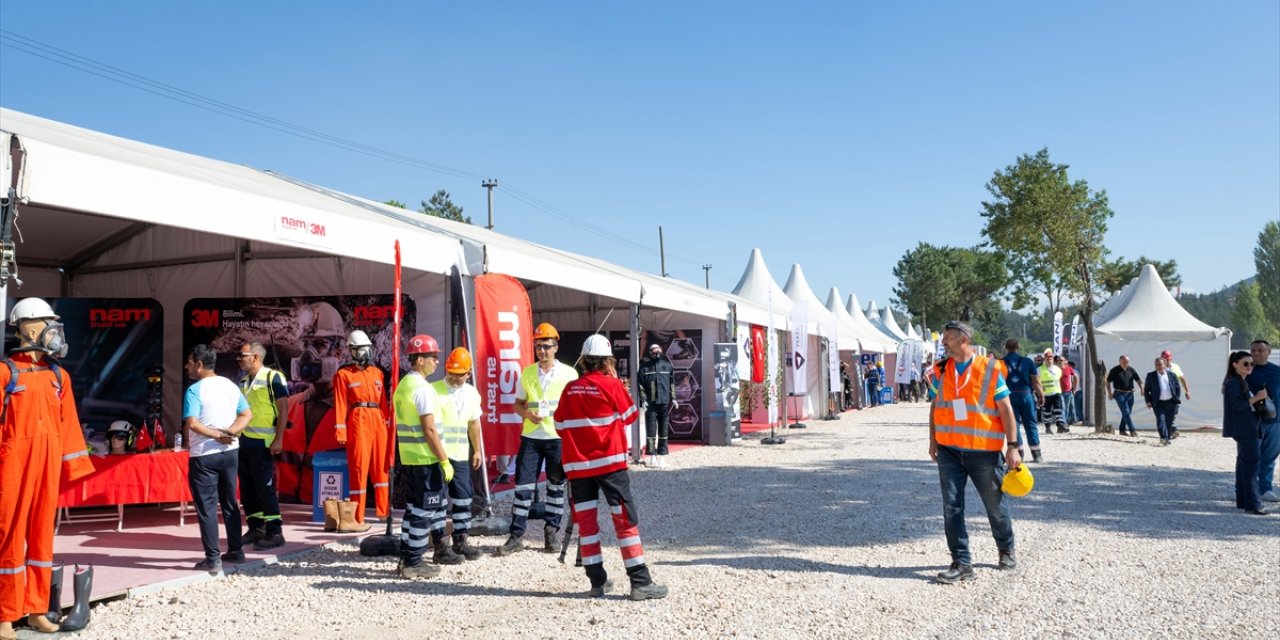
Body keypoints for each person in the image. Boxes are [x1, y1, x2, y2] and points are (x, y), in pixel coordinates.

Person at [0, 298, 95, 638]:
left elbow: (69, 425)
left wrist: (74, 468)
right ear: (27, 328)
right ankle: (5, 616)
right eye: (47, 323)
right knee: (8, 538)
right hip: (11, 468)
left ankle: (37, 608)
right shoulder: (4, 373)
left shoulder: (59, 376)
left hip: (46, 466)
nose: (55, 331)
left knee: (41, 537)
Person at [555, 334, 668, 600]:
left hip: (578, 468)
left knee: (587, 524)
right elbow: (630, 416)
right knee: (625, 522)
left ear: (583, 362)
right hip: (610, 466)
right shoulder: (611, 385)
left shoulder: (570, 389)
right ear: (608, 362)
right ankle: (640, 582)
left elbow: (559, 426)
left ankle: (597, 582)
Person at [928, 321, 1020, 584]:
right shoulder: (942, 370)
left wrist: (1012, 447)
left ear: (963, 340)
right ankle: (961, 562)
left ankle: (1006, 548)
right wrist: (933, 440)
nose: (943, 343)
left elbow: (1006, 410)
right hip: (949, 451)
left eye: (948, 338)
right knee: (951, 507)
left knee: (994, 505)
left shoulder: (989, 369)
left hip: (984, 452)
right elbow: (935, 406)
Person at [496, 322, 577, 556]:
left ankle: (551, 531)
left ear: (556, 347)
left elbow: (574, 407)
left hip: (556, 437)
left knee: (555, 487)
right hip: (531, 436)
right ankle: (516, 536)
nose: (541, 351)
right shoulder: (528, 372)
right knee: (522, 486)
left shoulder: (569, 374)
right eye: (538, 346)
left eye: (546, 346)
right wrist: (526, 414)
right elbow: (518, 403)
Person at [183, 344, 252, 574]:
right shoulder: (231, 386)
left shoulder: (195, 390)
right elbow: (247, 414)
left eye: (190, 362)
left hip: (204, 455)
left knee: (208, 508)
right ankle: (236, 550)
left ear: (200, 365)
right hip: (230, 453)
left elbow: (192, 423)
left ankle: (213, 558)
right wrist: (230, 433)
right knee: (230, 503)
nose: (187, 366)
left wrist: (217, 434)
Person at [392, 334, 450, 579]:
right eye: (433, 358)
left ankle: (406, 558)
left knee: (413, 510)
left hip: (410, 459)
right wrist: (444, 460)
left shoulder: (403, 385)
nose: (436, 362)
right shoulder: (423, 390)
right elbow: (429, 429)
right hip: (427, 460)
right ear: (419, 360)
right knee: (424, 512)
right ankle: (413, 564)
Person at [277, 301, 344, 503]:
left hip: (326, 517)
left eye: (319, 345)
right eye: (305, 344)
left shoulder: (350, 412)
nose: (308, 354)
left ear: (338, 353)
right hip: (286, 512)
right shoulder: (289, 406)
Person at [332, 330, 391, 531]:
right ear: (352, 351)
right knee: (359, 469)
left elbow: (383, 402)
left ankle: (383, 512)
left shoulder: (378, 373)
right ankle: (357, 516)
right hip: (358, 420)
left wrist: (388, 427)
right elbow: (340, 403)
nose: (365, 353)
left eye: (366, 348)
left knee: (381, 469)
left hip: (378, 421)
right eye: (360, 349)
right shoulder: (343, 374)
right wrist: (341, 430)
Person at [430, 347, 485, 561]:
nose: (453, 378)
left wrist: (477, 449)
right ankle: (440, 546)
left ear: (468, 373)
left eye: (458, 374)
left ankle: (461, 541)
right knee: (439, 501)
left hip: (461, 455)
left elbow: (474, 423)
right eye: (450, 373)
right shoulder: (434, 390)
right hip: (439, 455)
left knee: (463, 498)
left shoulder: (472, 394)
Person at [235, 342, 289, 550]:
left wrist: (279, 438)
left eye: (242, 355)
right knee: (247, 488)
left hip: (263, 443)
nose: (239, 359)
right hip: (243, 441)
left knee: (264, 487)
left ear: (256, 357)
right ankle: (255, 527)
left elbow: (283, 409)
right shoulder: (242, 381)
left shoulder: (272, 377)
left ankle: (275, 531)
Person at [1223, 351, 1268, 515]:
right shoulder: (1234, 382)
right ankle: (1254, 505)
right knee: (1251, 465)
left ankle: (1243, 501)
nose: (1250, 367)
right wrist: (1257, 397)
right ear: (1235, 364)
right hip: (1245, 429)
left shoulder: (1238, 381)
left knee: (1244, 465)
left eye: (1252, 364)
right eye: (1245, 363)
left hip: (1245, 428)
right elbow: (1238, 406)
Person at [1247, 340, 1280, 503]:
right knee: (1250, 456)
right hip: (1254, 421)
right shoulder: (1245, 370)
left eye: (1260, 350)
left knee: (1269, 458)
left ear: (1269, 351)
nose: (1257, 353)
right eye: (1253, 350)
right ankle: (1247, 489)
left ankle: (1265, 489)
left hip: (1276, 422)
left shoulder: (1277, 371)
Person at [1001, 339, 1044, 463]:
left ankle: (1019, 453)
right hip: (1026, 395)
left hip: (1008, 396)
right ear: (1018, 347)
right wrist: (1041, 395)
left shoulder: (1000, 362)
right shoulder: (1028, 361)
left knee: (1013, 424)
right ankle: (1037, 454)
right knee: (1031, 424)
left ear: (1006, 348)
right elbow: (1035, 381)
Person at [637, 342, 675, 468]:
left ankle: (662, 456)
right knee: (651, 429)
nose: (656, 353)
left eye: (658, 351)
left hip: (664, 401)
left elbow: (672, 383)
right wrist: (643, 400)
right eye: (654, 351)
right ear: (649, 352)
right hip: (650, 403)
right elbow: (640, 385)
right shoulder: (644, 368)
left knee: (664, 429)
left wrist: (673, 398)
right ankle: (652, 456)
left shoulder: (667, 366)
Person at [1144, 357, 1182, 446]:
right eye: (1156, 365)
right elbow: (1146, 390)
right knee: (1161, 420)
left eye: (1160, 364)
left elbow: (1177, 388)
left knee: (1169, 421)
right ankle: (1163, 437)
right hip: (1158, 403)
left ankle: (1167, 438)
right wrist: (1148, 401)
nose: (1158, 366)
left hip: (1171, 402)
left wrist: (1176, 398)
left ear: (1165, 365)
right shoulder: (1151, 375)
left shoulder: (1172, 375)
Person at [1106, 355, 1144, 437]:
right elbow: (1108, 382)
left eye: (1127, 362)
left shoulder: (1131, 370)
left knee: (1127, 413)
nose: (1125, 364)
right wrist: (1109, 393)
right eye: (1124, 362)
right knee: (1126, 411)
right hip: (1119, 394)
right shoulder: (1114, 370)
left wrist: (1142, 388)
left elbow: (1138, 380)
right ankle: (1132, 430)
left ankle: (1122, 429)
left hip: (1130, 394)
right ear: (1120, 361)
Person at [1161, 349, 1191, 439]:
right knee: (1165, 413)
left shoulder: (1176, 367)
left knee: (1173, 412)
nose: (1166, 361)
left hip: (1175, 394)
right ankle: (1173, 430)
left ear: (1170, 359)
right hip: (1164, 393)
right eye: (1164, 359)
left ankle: (1171, 430)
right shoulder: (1160, 368)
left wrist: (1187, 391)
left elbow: (1182, 379)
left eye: (1167, 359)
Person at [1038, 349, 1067, 434]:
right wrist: (1039, 393)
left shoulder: (1057, 369)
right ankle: (1048, 427)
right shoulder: (1039, 369)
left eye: (1051, 358)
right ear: (1044, 359)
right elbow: (1037, 381)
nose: (1049, 360)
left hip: (1056, 393)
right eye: (1047, 358)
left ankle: (1060, 426)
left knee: (1058, 409)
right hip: (1045, 394)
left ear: (1053, 359)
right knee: (1047, 412)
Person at [1057, 356, 1077, 425]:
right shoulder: (1056, 369)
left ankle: (1069, 420)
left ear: (1065, 361)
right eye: (1058, 360)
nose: (1059, 361)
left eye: (1061, 360)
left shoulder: (1069, 368)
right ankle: (1064, 421)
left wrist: (1074, 388)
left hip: (1068, 391)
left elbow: (1075, 377)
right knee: (1063, 407)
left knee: (1069, 407)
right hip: (1059, 392)